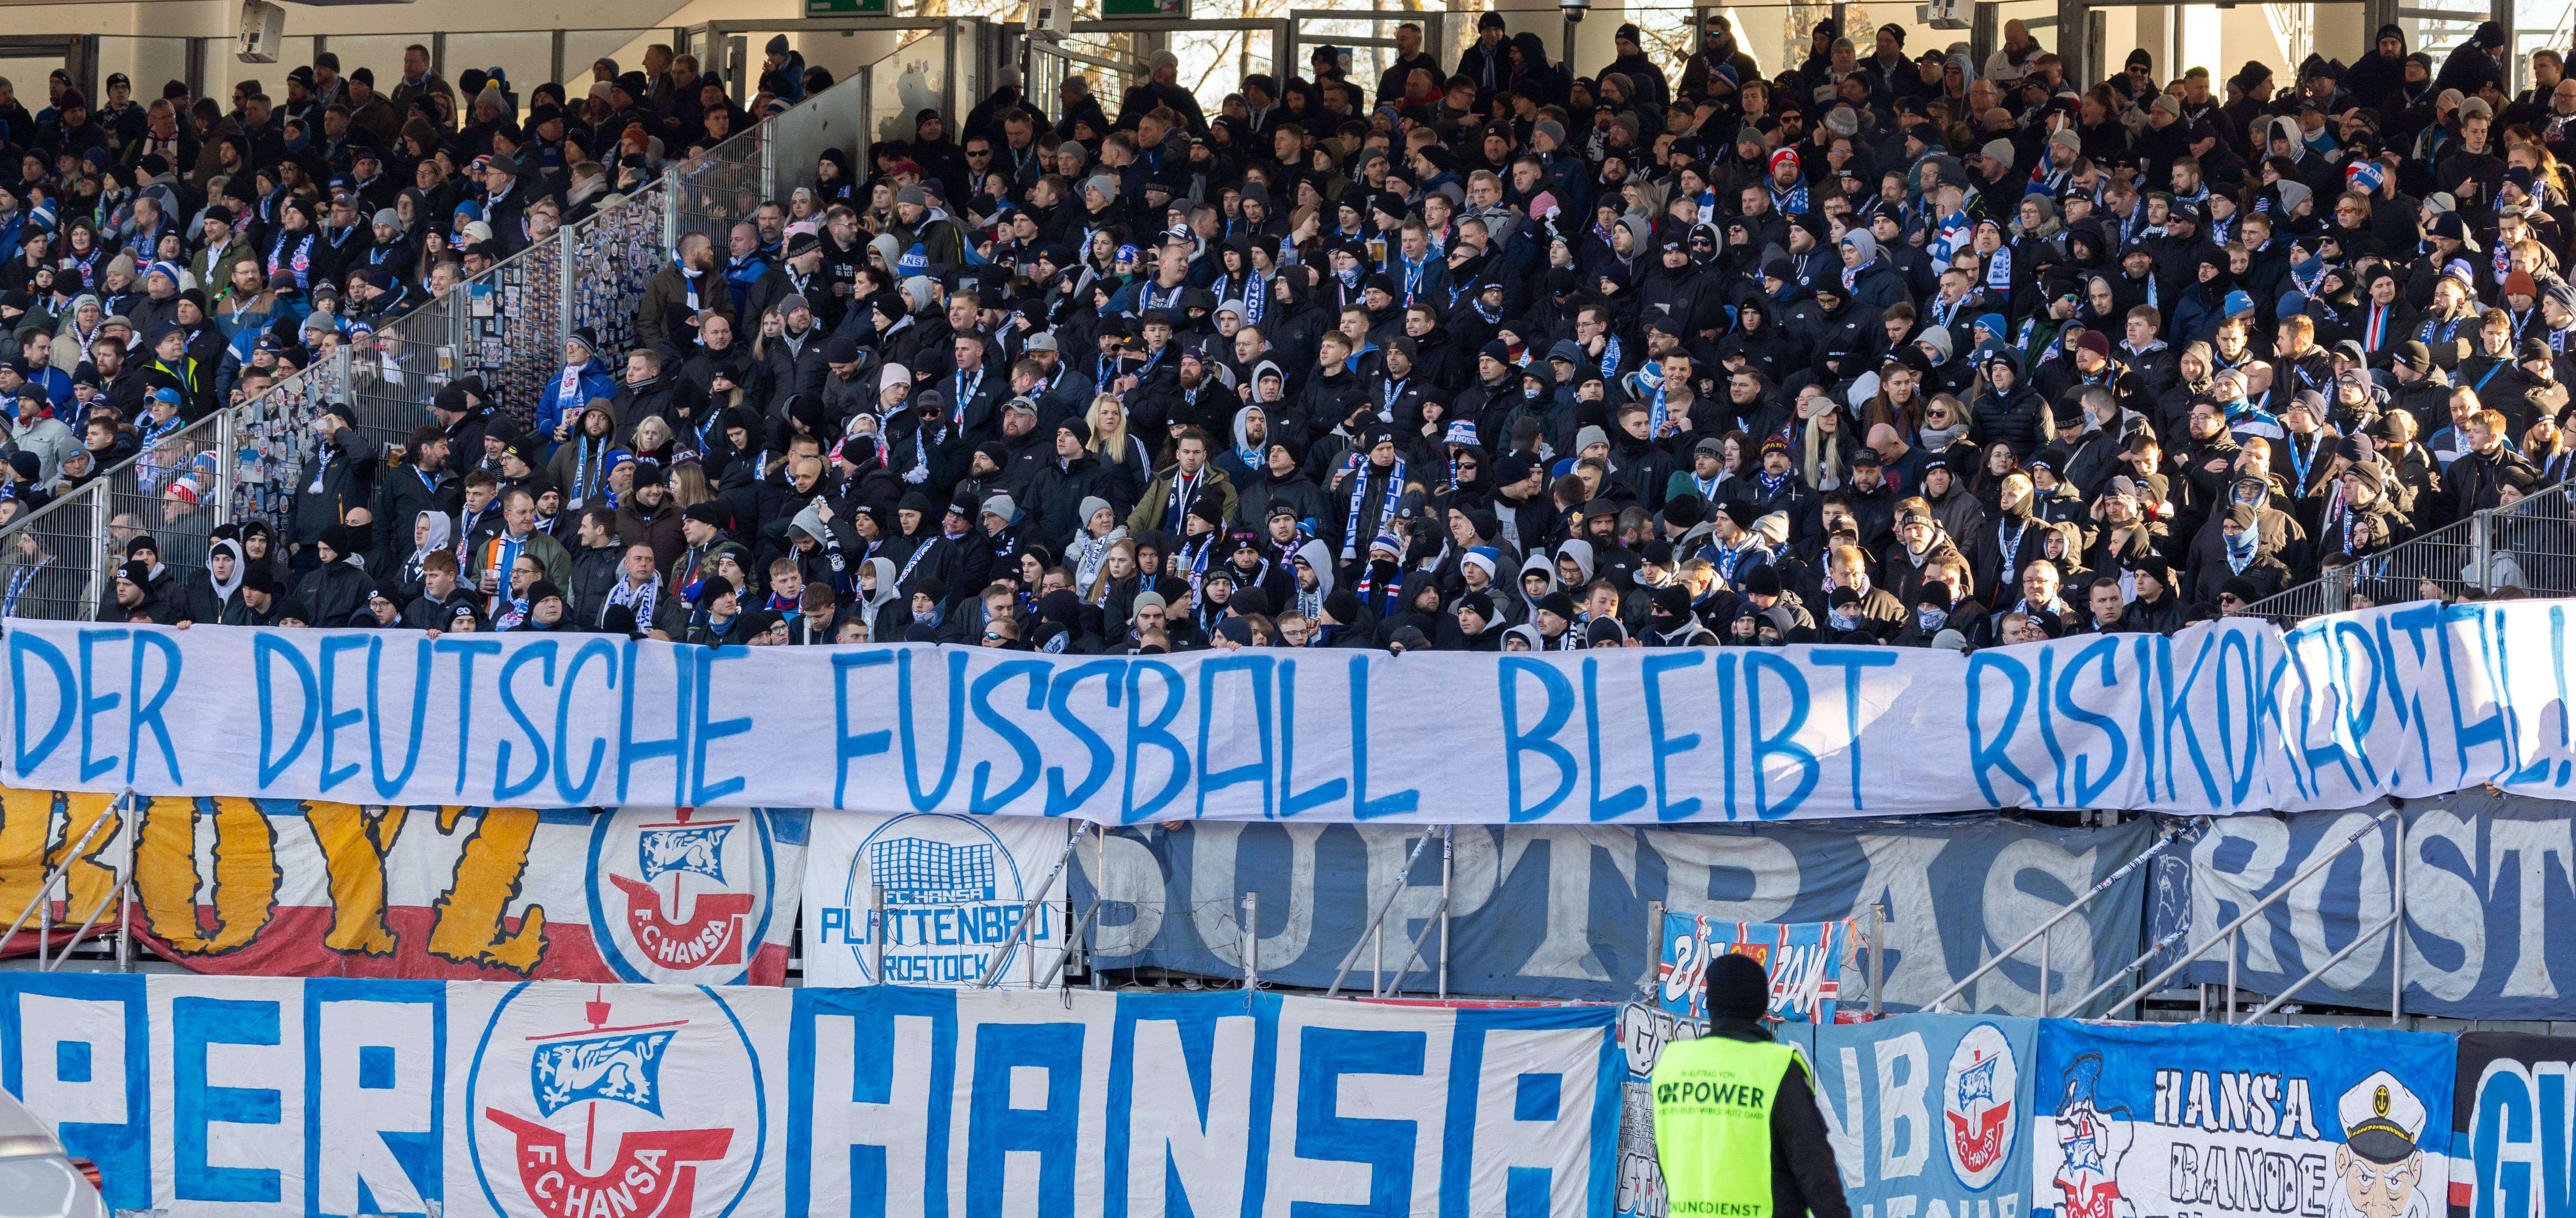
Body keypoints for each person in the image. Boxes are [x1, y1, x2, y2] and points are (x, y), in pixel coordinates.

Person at [1650, 952, 1852, 1218]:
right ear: (1762, 1006)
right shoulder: (1775, 1067)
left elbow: (1667, 1154)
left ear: (1710, 1005)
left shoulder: (1672, 1065)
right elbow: (1815, 1170)